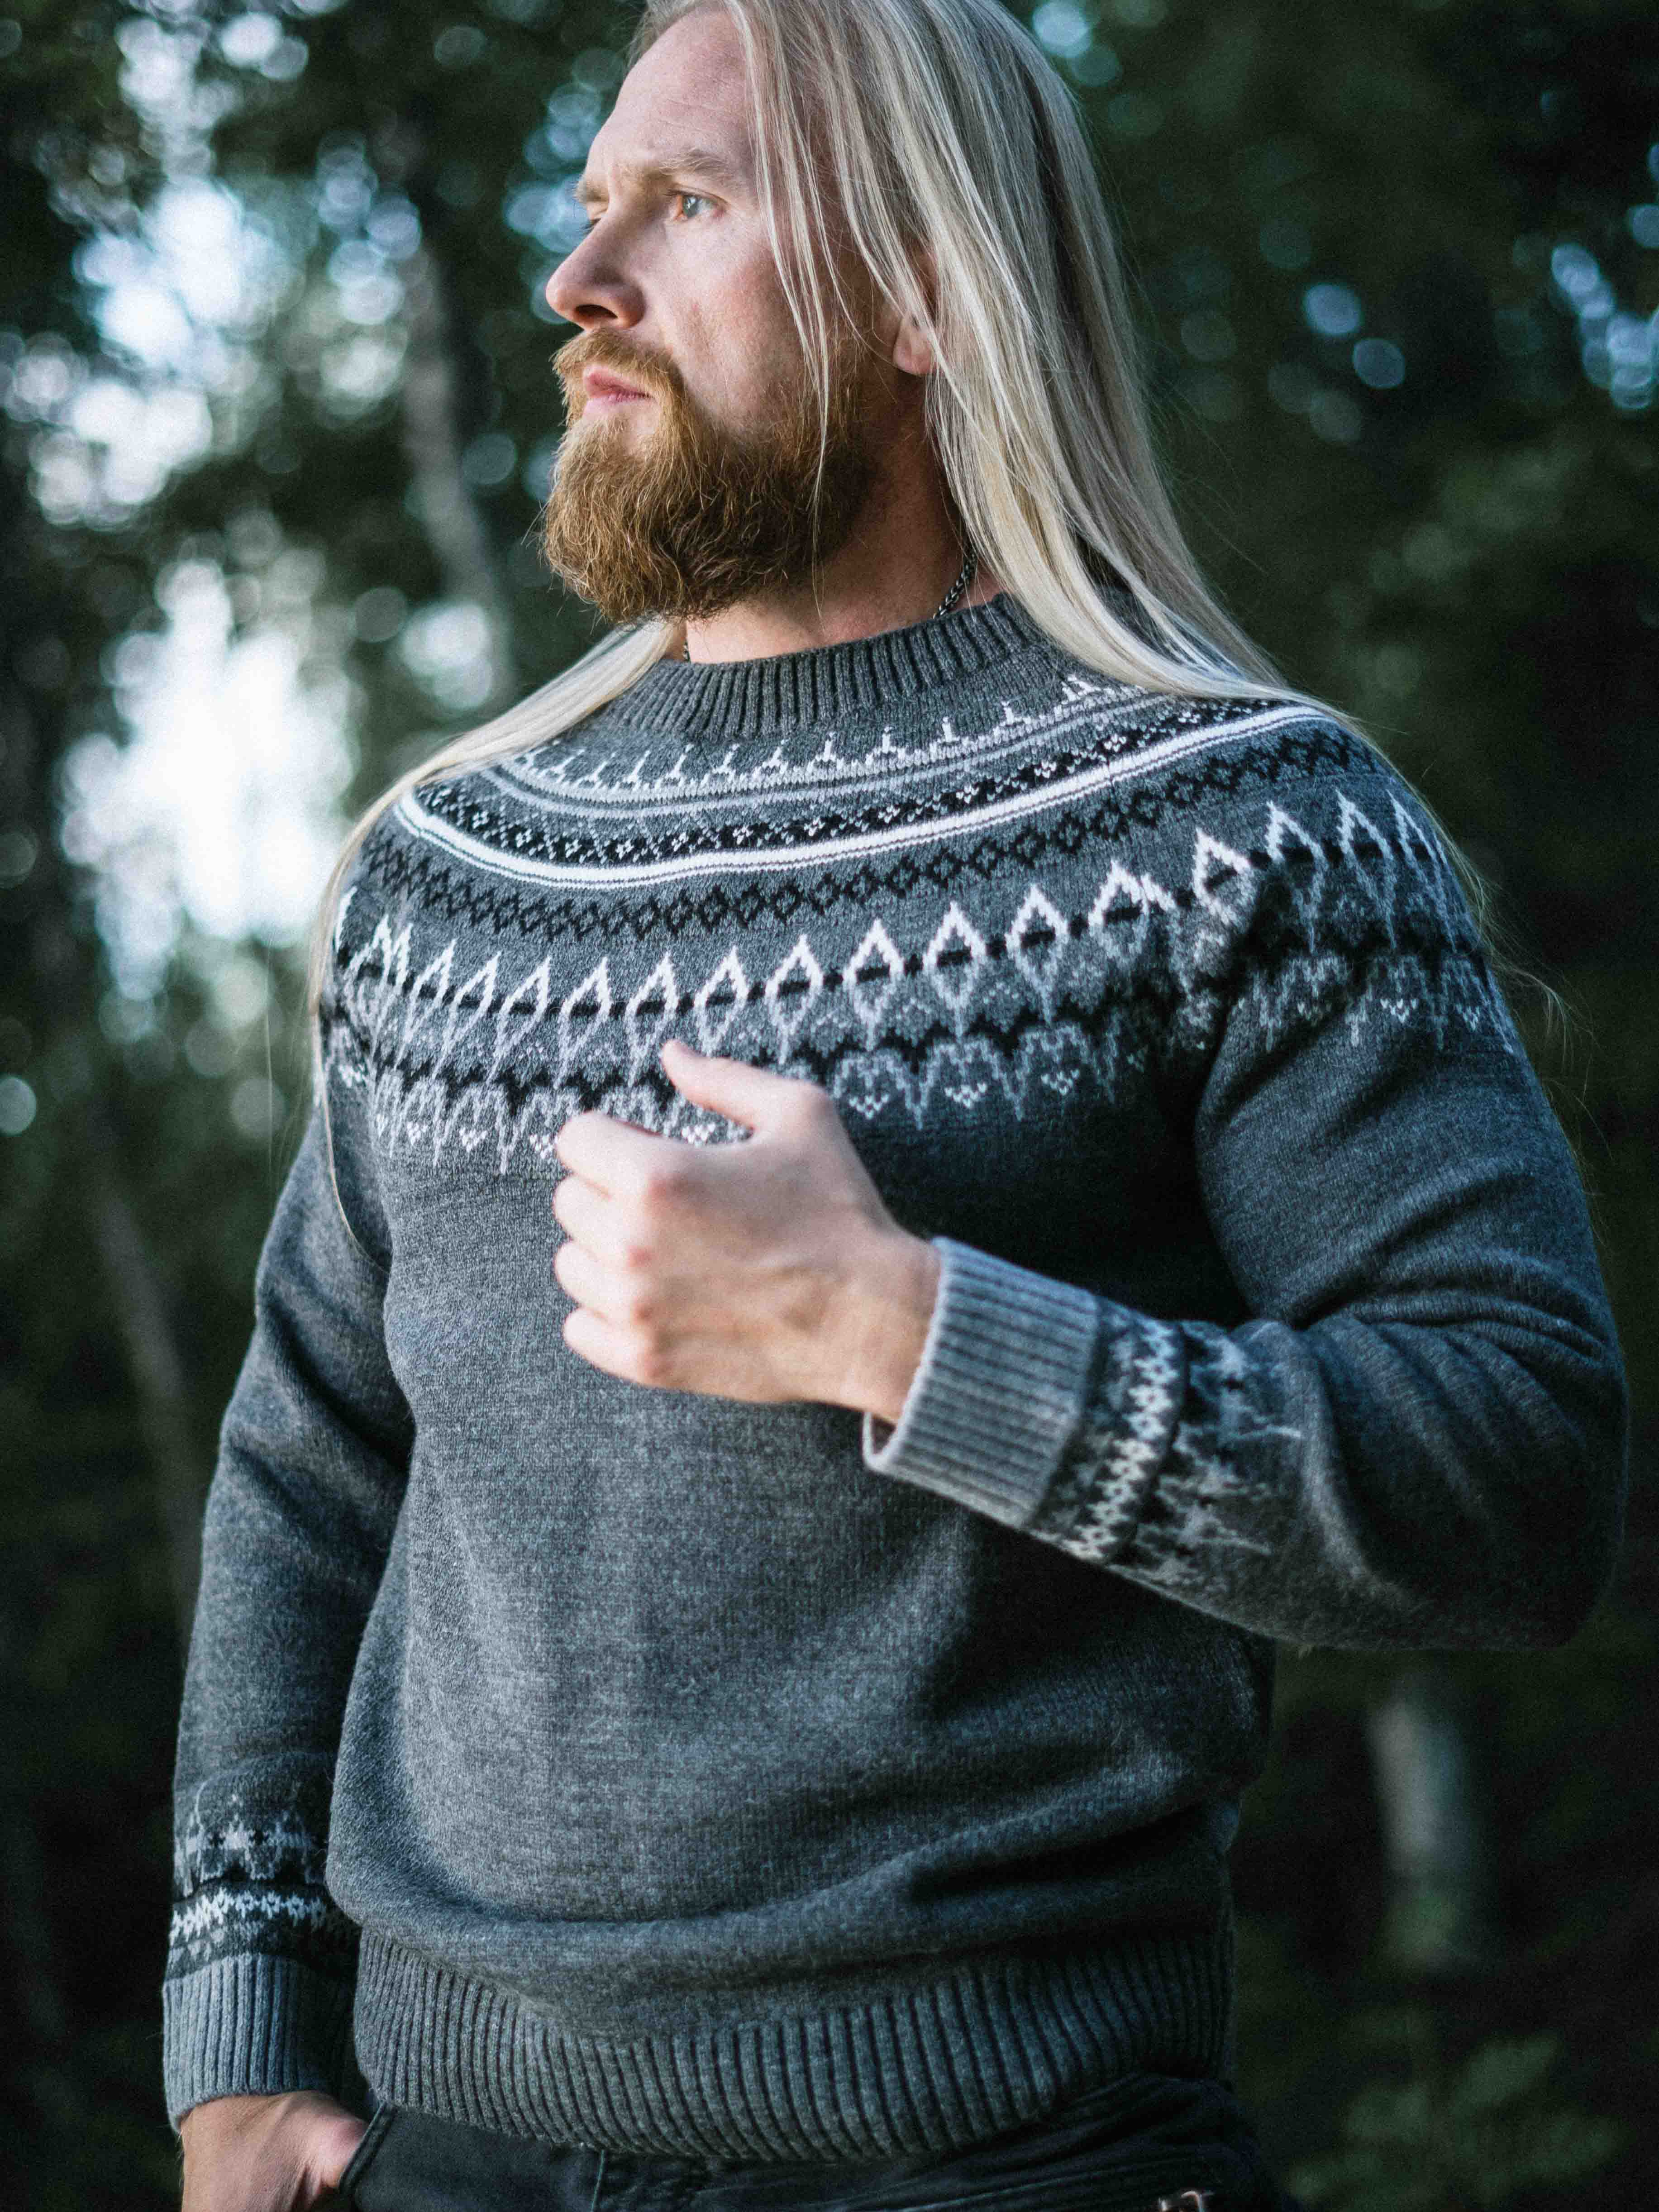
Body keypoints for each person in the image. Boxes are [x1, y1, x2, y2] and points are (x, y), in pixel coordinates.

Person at [165, 1, 1630, 2207]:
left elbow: (1512, 1474)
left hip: (1003, 2155)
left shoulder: (1242, 822)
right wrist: (237, 2038)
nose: (579, 281)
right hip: (441, 2153)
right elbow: (307, 1468)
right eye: (590, 206)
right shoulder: (445, 870)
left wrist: (901, 1330)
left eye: (689, 203)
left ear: (927, 292)